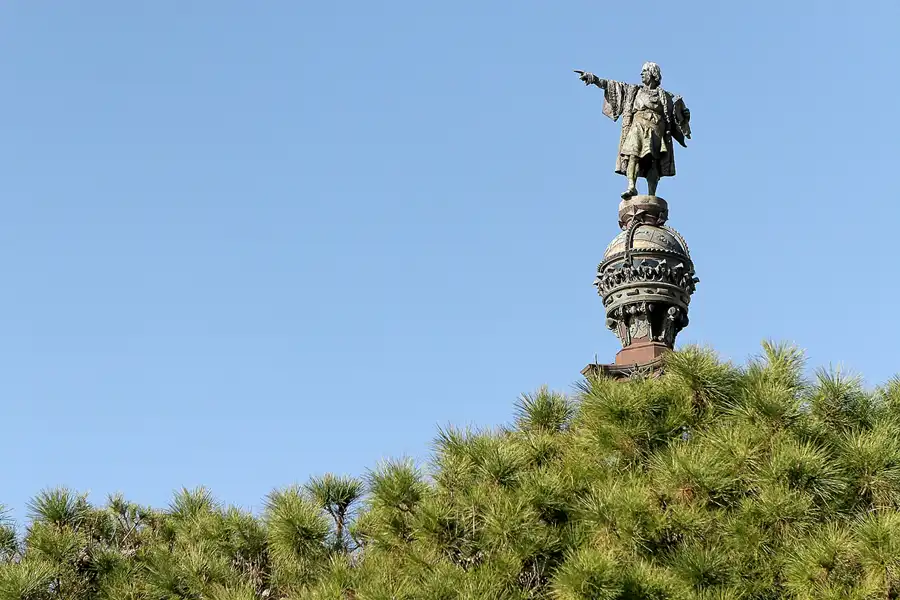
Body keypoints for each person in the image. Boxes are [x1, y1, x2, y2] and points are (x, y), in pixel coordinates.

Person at [575, 62, 691, 199]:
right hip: (637, 127)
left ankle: (651, 195)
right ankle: (631, 186)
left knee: (653, 162)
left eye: (644, 71)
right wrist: (594, 79)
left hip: (656, 129)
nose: (641, 74)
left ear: (653, 74)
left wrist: (685, 116)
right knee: (633, 155)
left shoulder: (665, 97)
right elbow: (614, 87)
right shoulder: (634, 91)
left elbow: (677, 117)